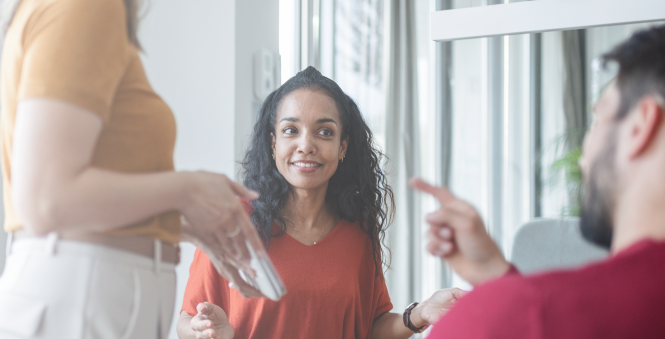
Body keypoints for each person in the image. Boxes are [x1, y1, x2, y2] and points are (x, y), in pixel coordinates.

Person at [0, 0, 266, 338]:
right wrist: (186, 189)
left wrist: (189, 225)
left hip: (88, 298)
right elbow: (47, 198)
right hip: (80, 300)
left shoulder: (84, 0)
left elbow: (75, 199)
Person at [411, 13, 665, 338]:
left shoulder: (513, 319)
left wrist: (509, 306)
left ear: (640, 126)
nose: (583, 157)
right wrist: (501, 283)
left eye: (598, 120)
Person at [178, 67, 466, 339]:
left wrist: (421, 312)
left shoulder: (359, 230)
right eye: (291, 130)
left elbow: (372, 326)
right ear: (273, 142)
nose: (306, 145)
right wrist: (200, 329)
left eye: (324, 132)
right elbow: (187, 320)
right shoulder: (228, 222)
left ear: (342, 147)